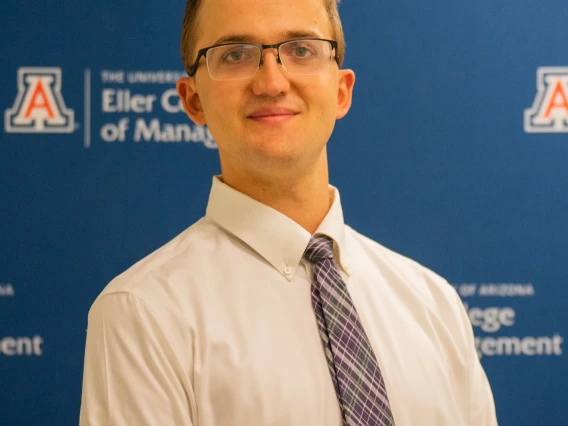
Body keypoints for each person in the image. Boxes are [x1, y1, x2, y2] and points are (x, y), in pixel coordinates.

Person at [79, 0, 498, 424]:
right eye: (235, 55)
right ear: (193, 101)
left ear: (341, 91)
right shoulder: (143, 313)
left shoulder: (434, 304)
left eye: (301, 50)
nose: (272, 82)